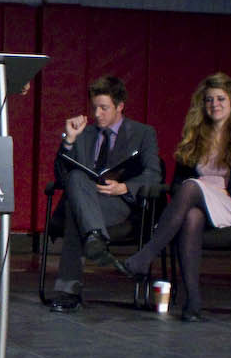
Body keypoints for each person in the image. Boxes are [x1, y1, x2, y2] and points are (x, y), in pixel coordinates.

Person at [118, 72, 231, 322]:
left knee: (191, 187)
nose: (215, 105)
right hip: (198, 202)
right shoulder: (194, 137)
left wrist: (209, 190)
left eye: (221, 99)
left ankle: (146, 256)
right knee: (190, 214)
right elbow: (178, 182)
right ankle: (193, 301)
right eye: (209, 100)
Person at [48, 75, 161, 313]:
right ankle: (95, 237)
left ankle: (69, 291)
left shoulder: (143, 133)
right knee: (77, 180)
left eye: (104, 108)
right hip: (86, 201)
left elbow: (153, 174)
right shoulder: (84, 134)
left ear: (120, 106)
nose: (97, 114)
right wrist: (69, 140)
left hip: (119, 203)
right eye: (94, 107)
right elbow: (61, 177)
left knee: (74, 213)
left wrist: (124, 187)